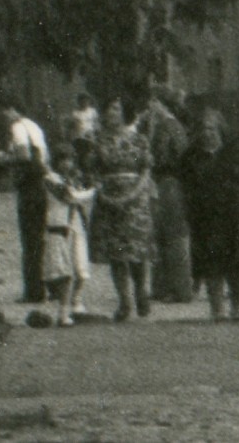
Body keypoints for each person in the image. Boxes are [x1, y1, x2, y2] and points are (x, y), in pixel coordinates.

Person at [179, 107, 239, 322]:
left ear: (220, 129)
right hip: (205, 217)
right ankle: (217, 309)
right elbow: (183, 187)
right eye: (204, 129)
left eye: (212, 129)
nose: (208, 133)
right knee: (211, 264)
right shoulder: (191, 156)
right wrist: (184, 213)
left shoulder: (237, 151)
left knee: (238, 262)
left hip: (236, 215)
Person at [89, 98, 156, 322]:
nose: (111, 113)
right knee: (116, 253)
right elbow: (92, 170)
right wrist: (101, 192)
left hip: (135, 200)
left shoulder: (139, 140)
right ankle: (124, 301)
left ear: (124, 112)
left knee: (136, 251)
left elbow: (146, 170)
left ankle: (141, 292)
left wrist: (134, 193)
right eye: (108, 108)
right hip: (108, 199)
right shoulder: (97, 140)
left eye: (116, 108)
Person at [0, 100, 50, 303]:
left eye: (6, 111)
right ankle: (44, 286)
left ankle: (33, 291)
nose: (4, 116)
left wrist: (4, 159)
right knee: (40, 238)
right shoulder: (33, 126)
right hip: (41, 185)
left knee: (30, 239)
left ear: (14, 110)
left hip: (29, 187)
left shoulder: (17, 127)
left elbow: (24, 155)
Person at [143, 88, 192, 303]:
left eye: (152, 102)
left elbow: (160, 158)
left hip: (169, 183)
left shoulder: (166, 127)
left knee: (171, 235)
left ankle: (178, 288)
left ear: (161, 103)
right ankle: (164, 287)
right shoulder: (170, 126)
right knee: (164, 234)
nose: (149, 107)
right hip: (168, 182)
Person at [41, 144, 96, 326]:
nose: (67, 164)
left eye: (70, 160)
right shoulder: (51, 178)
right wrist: (94, 191)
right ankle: (62, 314)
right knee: (63, 273)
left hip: (75, 225)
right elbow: (69, 196)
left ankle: (76, 303)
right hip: (58, 226)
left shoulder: (73, 179)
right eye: (62, 160)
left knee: (80, 267)